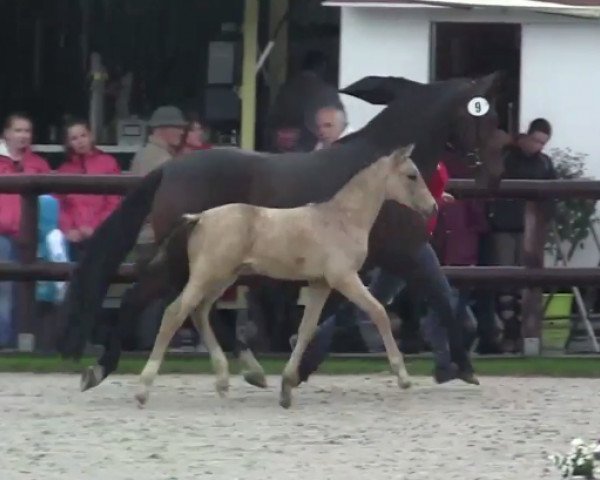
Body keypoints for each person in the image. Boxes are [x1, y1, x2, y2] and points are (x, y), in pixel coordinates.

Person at [292, 157, 476, 384]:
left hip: (406, 242)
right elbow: (406, 194)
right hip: (411, 244)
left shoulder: (421, 161)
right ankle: (452, 363)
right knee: (442, 298)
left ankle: (309, 355)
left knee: (367, 304)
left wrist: (436, 198)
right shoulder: (413, 163)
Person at [484, 118, 557, 352]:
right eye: (536, 140)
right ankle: (509, 329)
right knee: (505, 279)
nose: (538, 147)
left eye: (543, 143)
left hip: (530, 230)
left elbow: (552, 196)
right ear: (527, 136)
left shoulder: (545, 163)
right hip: (504, 226)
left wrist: (547, 219)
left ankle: (519, 333)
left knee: (524, 283)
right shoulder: (507, 156)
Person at [128, 105, 187, 350]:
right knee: (157, 292)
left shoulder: (148, 155)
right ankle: (149, 344)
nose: (181, 133)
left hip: (148, 236)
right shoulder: (160, 160)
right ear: (162, 130)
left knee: (157, 291)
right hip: (153, 237)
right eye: (177, 128)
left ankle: (150, 342)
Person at [0, 113, 51, 348]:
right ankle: (5, 343)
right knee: (4, 291)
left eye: (27, 131)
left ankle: (26, 342)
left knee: (30, 291)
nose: (23, 136)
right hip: (2, 235)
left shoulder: (38, 164)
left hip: (32, 237)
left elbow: (53, 200)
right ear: (6, 134)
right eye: (18, 130)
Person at [56, 118, 122, 261]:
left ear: (91, 136)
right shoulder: (64, 170)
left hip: (103, 234)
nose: (80, 141)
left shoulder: (108, 163)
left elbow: (113, 201)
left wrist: (95, 227)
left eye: (83, 136)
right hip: (73, 239)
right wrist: (68, 229)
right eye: (74, 138)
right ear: (68, 143)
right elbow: (60, 205)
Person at [266, 50, 343, 153]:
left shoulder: (286, 89)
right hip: (313, 152)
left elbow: (272, 119)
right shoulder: (327, 92)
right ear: (323, 67)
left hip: (284, 153)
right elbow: (339, 122)